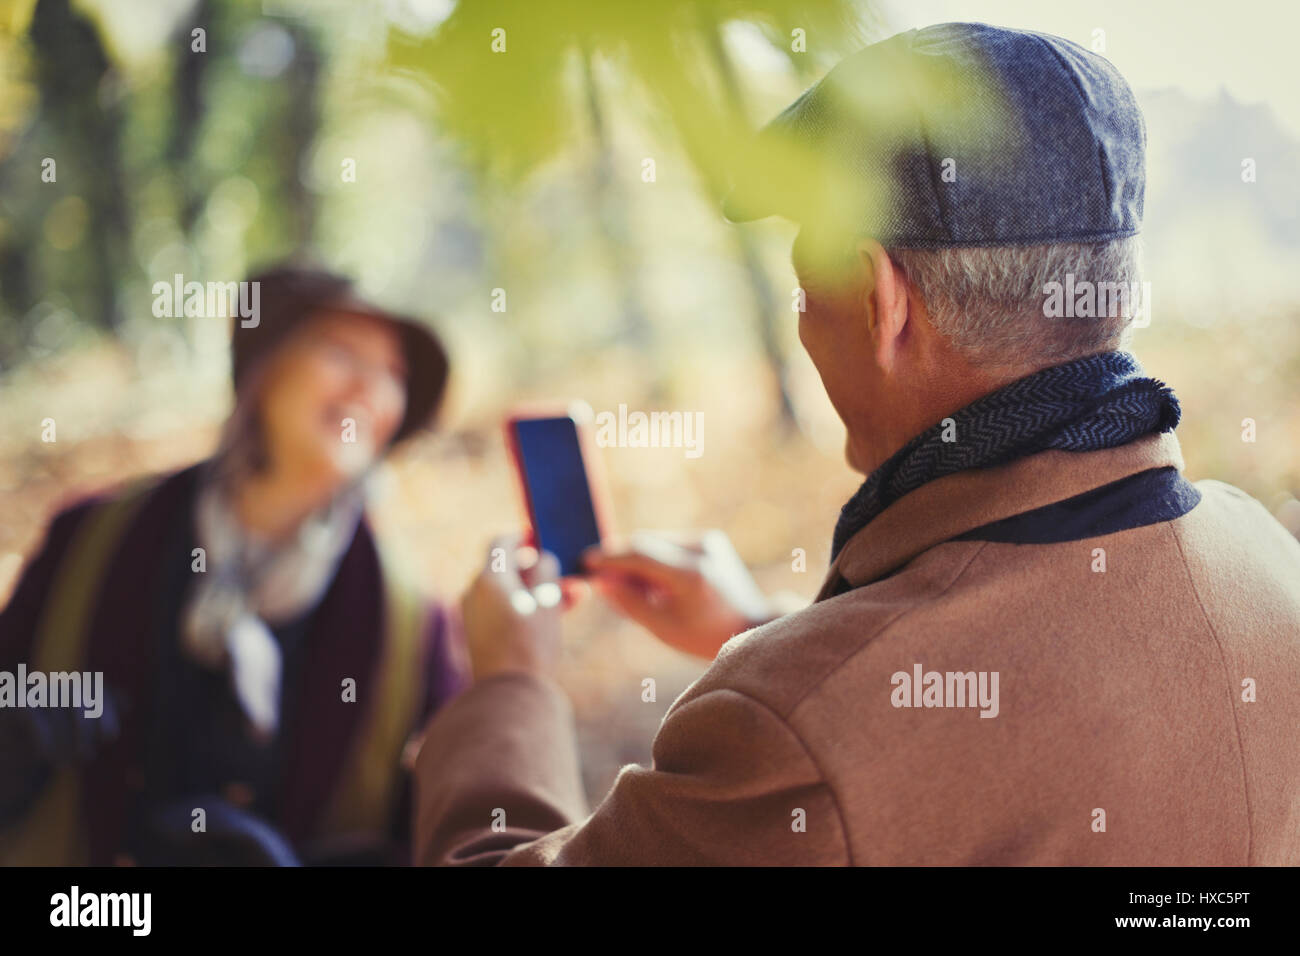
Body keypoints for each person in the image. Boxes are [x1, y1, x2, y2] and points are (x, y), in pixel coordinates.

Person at [413, 23, 1300, 865]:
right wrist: (762, 628)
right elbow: (1000, 711)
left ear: (884, 302)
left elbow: (873, 743)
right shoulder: (1263, 555)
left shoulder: (795, 733)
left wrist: (506, 684)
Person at [0, 265, 468, 865]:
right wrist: (14, 734)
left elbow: (446, 836)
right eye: (342, 352)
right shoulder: (90, 539)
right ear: (261, 365)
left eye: (394, 373)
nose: (369, 390)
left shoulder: (411, 624)